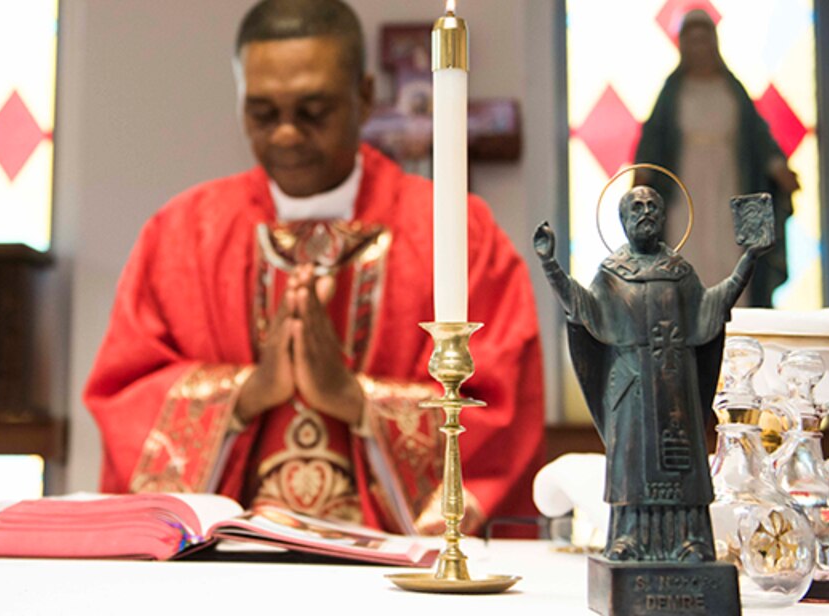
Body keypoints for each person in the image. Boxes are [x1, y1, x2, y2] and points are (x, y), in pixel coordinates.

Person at [83, 0, 544, 536]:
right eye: (262, 113)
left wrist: (351, 397)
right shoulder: (183, 234)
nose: (285, 134)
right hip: (225, 575)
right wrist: (250, 390)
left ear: (365, 96)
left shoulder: (456, 232)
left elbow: (503, 414)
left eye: (312, 111)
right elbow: (124, 399)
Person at [533, 185, 772, 561]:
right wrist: (550, 265)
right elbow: (583, 308)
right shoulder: (613, 274)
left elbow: (711, 307)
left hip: (675, 381)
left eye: (652, 207)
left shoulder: (679, 272)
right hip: (630, 385)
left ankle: (691, 542)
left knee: (682, 468)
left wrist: (749, 259)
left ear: (663, 218)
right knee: (631, 467)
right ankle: (628, 541)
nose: (644, 213)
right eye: (636, 207)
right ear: (623, 221)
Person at [633, 9, 798, 307]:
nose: (699, 49)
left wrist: (777, 167)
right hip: (686, 189)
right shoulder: (672, 93)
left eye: (703, 41)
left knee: (730, 253)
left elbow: (757, 139)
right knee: (689, 253)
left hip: (731, 184)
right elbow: (653, 140)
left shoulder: (732, 91)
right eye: (692, 42)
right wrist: (642, 177)